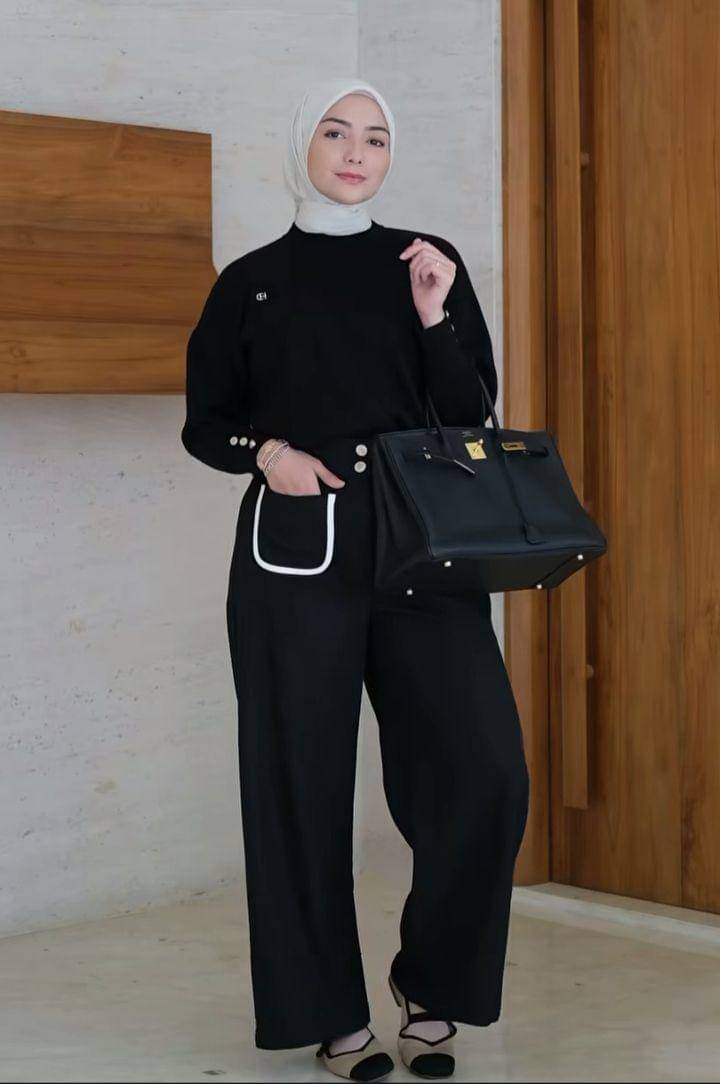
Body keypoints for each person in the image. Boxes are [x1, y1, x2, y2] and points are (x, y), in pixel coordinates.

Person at [181, 77, 530, 1082]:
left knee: (484, 771)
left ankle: (433, 984)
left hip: (423, 547)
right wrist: (267, 454)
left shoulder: (427, 261)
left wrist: (433, 314)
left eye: (375, 137)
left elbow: (470, 412)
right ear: (304, 144)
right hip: (297, 556)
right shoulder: (249, 281)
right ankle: (328, 1014)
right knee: (296, 781)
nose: (355, 151)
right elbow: (206, 421)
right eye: (336, 132)